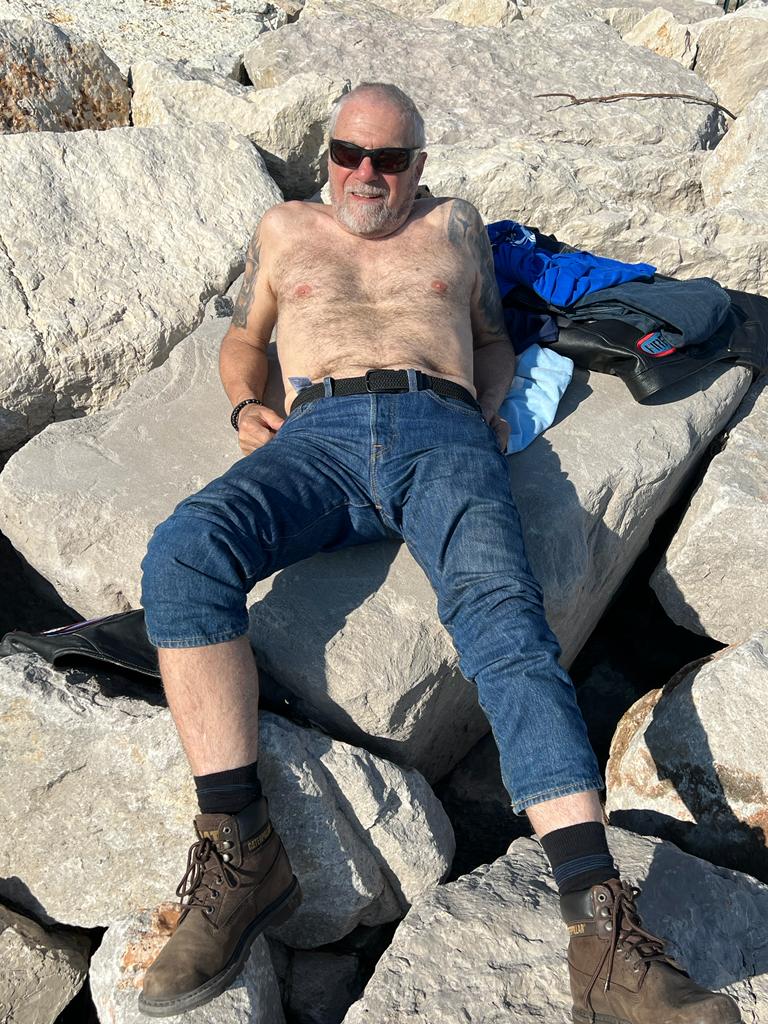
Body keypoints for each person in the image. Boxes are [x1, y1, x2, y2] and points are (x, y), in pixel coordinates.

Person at [137, 83, 741, 1023]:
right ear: (327, 154)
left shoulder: (456, 226)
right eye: (348, 154)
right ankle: (241, 850)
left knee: (506, 629)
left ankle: (602, 936)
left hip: (443, 432)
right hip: (315, 435)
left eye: (389, 160)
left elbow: (493, 336)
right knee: (185, 551)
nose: (365, 175)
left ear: (419, 165)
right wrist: (245, 403)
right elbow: (244, 337)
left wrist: (493, 408)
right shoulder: (285, 229)